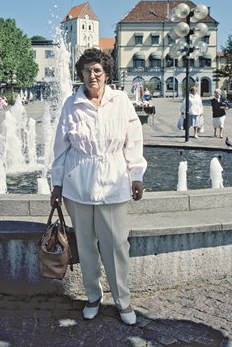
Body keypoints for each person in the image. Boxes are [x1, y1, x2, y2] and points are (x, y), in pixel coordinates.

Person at [50, 48, 147, 325]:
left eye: (97, 71)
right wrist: (56, 185)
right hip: (78, 185)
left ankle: (123, 301)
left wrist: (136, 174)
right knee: (87, 245)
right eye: (86, 70)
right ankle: (93, 296)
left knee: (116, 245)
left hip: (115, 183)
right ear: (80, 73)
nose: (92, 76)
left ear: (106, 74)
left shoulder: (121, 101)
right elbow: (60, 148)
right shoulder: (71, 104)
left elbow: (134, 139)